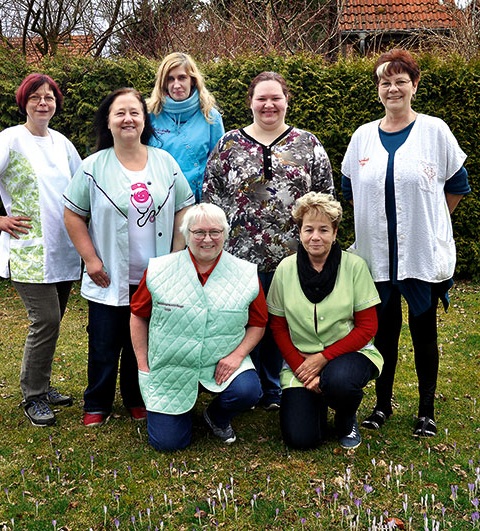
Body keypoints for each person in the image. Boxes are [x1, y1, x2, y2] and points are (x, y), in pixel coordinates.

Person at [341, 49, 472, 438]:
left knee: (423, 331)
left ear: (414, 86)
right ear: (378, 89)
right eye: (385, 82)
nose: (393, 88)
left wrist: (431, 224)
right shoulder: (363, 136)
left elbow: (457, 185)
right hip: (376, 257)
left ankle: (426, 411)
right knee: (383, 334)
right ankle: (382, 405)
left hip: (419, 254)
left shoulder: (435, 131)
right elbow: (351, 190)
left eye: (401, 81)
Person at [203, 71, 335, 411]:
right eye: (261, 98)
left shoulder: (308, 144)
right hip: (239, 257)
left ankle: (277, 388)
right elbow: (211, 198)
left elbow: (326, 199)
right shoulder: (229, 144)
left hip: (294, 256)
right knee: (246, 321)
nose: (268, 104)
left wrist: (320, 246)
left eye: (275, 97)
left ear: (286, 100)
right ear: (250, 102)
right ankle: (246, 384)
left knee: (283, 322)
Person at [63, 88, 194, 427]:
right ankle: (97, 403)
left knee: (146, 343)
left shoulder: (165, 162)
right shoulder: (93, 167)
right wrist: (91, 260)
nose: (128, 119)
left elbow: (184, 208)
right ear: (108, 122)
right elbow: (73, 214)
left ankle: (138, 398)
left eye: (135, 112)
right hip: (109, 274)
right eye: (120, 113)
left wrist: (176, 257)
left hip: (154, 275)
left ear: (144, 119)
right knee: (105, 343)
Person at [0, 73, 82, 427]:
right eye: (36, 98)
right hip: (29, 248)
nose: (43, 103)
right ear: (23, 103)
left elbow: (81, 186)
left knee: (53, 322)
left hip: (64, 248)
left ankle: (42, 387)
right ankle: (33, 396)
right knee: (44, 320)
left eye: (49, 97)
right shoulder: (10, 139)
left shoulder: (62, 144)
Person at [130, 203, 267, 451]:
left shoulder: (245, 273)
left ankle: (216, 416)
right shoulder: (160, 269)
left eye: (215, 232)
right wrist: (143, 364)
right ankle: (176, 414)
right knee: (168, 444)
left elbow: (258, 323)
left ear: (225, 234)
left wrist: (237, 356)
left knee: (248, 391)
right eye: (199, 232)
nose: (207, 239)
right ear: (186, 234)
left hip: (221, 362)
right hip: (171, 365)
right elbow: (138, 315)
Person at [266, 192, 382, 450]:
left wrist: (324, 358)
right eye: (308, 229)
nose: (315, 237)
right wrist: (301, 369)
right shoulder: (285, 269)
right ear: (300, 232)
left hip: (348, 355)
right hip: (301, 362)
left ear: (335, 232)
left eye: (323, 230)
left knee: (339, 381)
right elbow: (277, 325)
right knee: (300, 440)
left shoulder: (355, 267)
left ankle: (345, 416)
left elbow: (367, 327)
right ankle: (314, 402)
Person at [147, 52, 225, 203]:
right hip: (158, 201)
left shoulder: (211, 117)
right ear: (163, 83)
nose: (176, 85)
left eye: (182, 77)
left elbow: (218, 167)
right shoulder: (150, 115)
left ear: (193, 81)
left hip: (198, 205)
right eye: (170, 79)